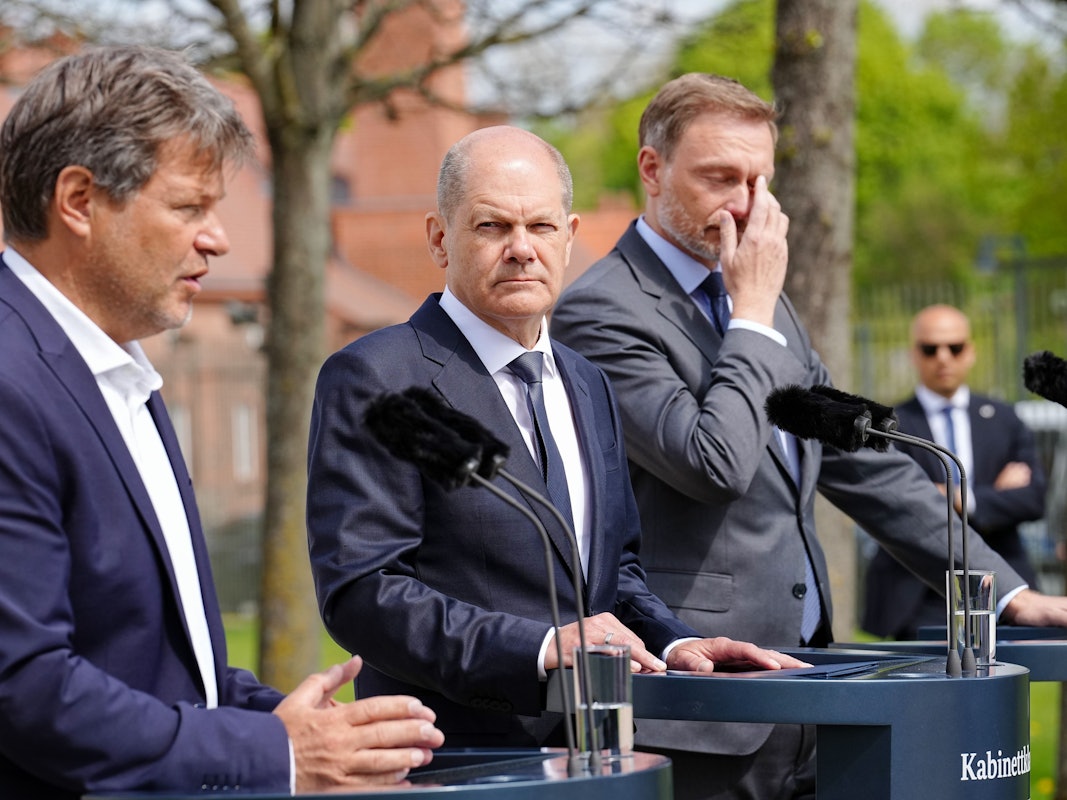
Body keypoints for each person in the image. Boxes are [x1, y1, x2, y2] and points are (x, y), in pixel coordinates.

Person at [550, 72, 1067, 799]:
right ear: (650, 168)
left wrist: (1006, 593)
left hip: (809, 687)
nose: (745, 205)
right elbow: (710, 464)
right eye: (719, 177)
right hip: (699, 704)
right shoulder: (602, 312)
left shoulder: (759, 296)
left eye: (759, 181)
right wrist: (754, 312)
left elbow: (861, 467)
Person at [0, 45, 444, 798]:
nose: (219, 237)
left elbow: (149, 657)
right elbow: (26, 688)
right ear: (77, 200)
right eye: (188, 207)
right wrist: (275, 754)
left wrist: (300, 729)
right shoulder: (12, 383)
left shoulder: (118, 372)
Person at [306, 125, 807, 750]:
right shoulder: (378, 376)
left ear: (569, 238)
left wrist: (674, 640)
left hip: (598, 751)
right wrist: (540, 647)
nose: (521, 249)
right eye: (492, 227)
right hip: (455, 762)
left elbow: (611, 576)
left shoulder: (586, 381)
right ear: (440, 238)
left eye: (541, 227)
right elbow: (363, 591)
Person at [863, 304, 1046, 639]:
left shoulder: (1005, 419)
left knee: (1007, 688)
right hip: (917, 590)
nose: (943, 358)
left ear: (970, 352)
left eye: (955, 347)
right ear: (914, 354)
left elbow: (1033, 499)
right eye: (930, 349)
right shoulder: (888, 426)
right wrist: (996, 495)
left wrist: (962, 499)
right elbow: (895, 501)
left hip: (1000, 579)